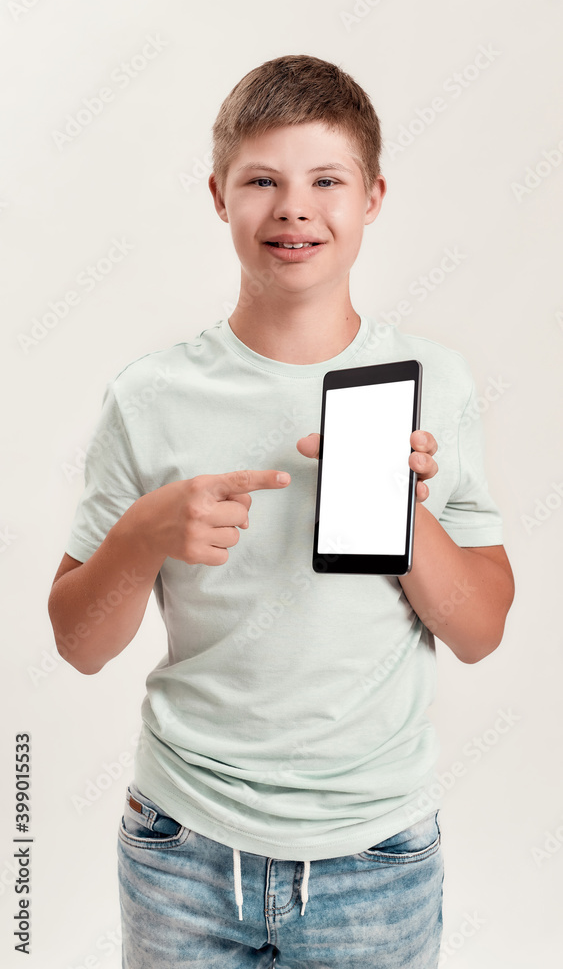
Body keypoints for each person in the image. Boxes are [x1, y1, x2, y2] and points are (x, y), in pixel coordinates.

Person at [48, 54, 515, 968]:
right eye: (261, 179)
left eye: (325, 180)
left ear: (373, 197)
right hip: (182, 846)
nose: (293, 207)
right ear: (218, 196)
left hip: (377, 852)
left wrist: (404, 514)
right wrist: (145, 533)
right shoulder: (148, 395)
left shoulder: (434, 385)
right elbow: (77, 642)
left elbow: (481, 632)